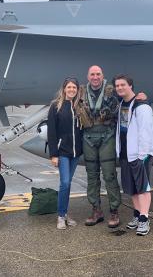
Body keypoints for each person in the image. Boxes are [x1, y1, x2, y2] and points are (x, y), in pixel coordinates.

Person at [75, 65, 146, 228]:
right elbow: (66, 98)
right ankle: (96, 210)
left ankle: (114, 211)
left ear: (102, 75)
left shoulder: (112, 90)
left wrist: (142, 96)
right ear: (88, 76)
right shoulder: (80, 91)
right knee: (92, 176)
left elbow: (127, 96)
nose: (95, 77)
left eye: (98, 74)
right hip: (88, 138)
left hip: (107, 136)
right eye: (92, 74)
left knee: (109, 175)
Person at [114, 74, 153, 236]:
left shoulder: (141, 105)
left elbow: (146, 131)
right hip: (125, 152)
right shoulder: (121, 104)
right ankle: (137, 215)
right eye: (117, 86)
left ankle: (145, 219)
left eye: (122, 85)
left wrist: (143, 154)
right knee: (131, 187)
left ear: (130, 86)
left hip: (140, 154)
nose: (119, 88)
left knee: (143, 187)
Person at [47, 77, 83, 230]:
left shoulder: (79, 106)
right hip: (62, 152)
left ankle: (65, 213)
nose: (71, 90)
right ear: (64, 89)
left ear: (77, 90)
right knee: (65, 183)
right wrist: (53, 154)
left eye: (74, 87)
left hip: (75, 153)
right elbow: (52, 132)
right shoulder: (56, 106)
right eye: (69, 87)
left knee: (67, 185)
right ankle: (61, 216)